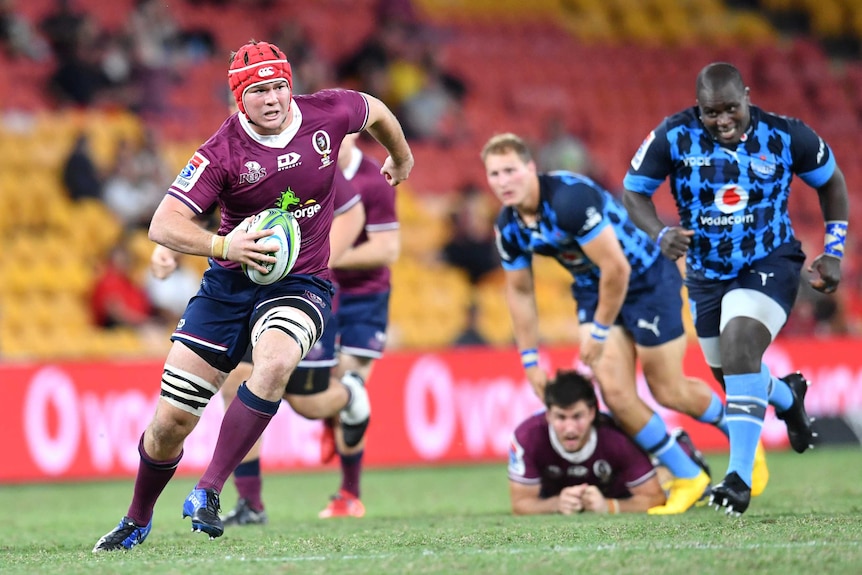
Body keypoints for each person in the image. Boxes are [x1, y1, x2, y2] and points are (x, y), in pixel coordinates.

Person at [92, 39, 413, 552]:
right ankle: (136, 518)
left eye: (280, 85)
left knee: (274, 362)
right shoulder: (221, 152)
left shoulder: (326, 112)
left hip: (300, 282)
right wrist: (224, 244)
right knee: (170, 423)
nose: (273, 98)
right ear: (238, 98)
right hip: (226, 288)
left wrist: (401, 155)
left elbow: (374, 109)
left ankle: (209, 490)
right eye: (259, 90)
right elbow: (163, 223)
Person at [482, 132, 750, 515]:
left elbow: (617, 267)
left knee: (668, 389)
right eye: (494, 174)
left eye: (510, 170)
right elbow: (521, 294)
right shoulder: (508, 226)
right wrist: (529, 360)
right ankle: (689, 475)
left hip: (646, 280)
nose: (503, 181)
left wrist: (600, 331)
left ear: (530, 168)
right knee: (615, 394)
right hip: (594, 290)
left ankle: (743, 442)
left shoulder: (569, 201)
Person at [622, 62, 847, 515]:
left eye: (731, 108)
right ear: (697, 108)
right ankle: (787, 396)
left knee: (740, 340)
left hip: (770, 260)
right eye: (711, 112)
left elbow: (833, 183)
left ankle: (738, 479)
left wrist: (835, 249)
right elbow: (633, 192)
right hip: (706, 275)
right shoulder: (672, 136)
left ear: (747, 96)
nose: (722, 120)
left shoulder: (786, 135)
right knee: (734, 378)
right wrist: (659, 234)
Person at [220, 131, 401, 523]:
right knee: (239, 380)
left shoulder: (371, 182)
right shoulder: (300, 168)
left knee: (311, 403)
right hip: (300, 289)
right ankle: (250, 503)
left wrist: (307, 256)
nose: (326, 142)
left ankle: (350, 489)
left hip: (359, 296)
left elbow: (388, 249)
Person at [509, 369, 709, 515]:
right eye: (561, 418)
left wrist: (610, 506)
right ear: (548, 416)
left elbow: (654, 498)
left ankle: (684, 456)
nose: (570, 428)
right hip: (558, 491)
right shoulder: (527, 436)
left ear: (592, 413)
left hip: (618, 490)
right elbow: (520, 503)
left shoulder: (617, 436)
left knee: (665, 484)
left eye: (577, 416)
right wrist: (556, 504)